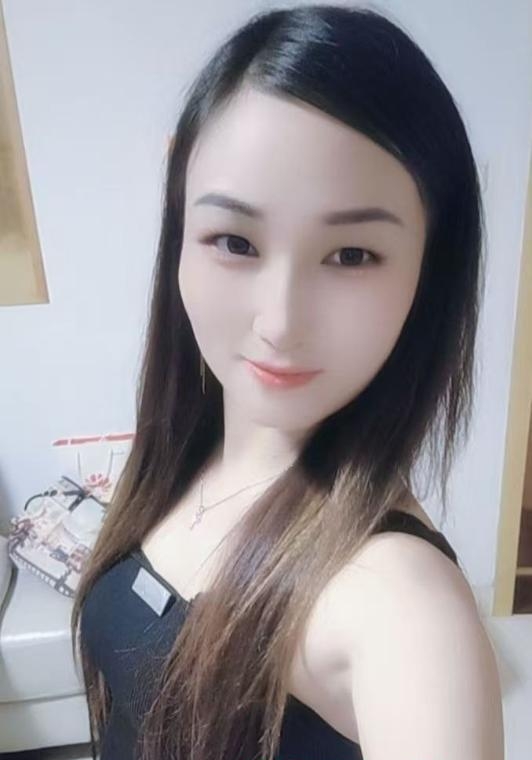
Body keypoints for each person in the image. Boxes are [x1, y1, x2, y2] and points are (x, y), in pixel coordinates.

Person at [72, 4, 505, 760]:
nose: (279, 321)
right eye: (235, 241)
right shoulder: (187, 453)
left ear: (428, 271)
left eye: (351, 255)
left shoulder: (400, 604)